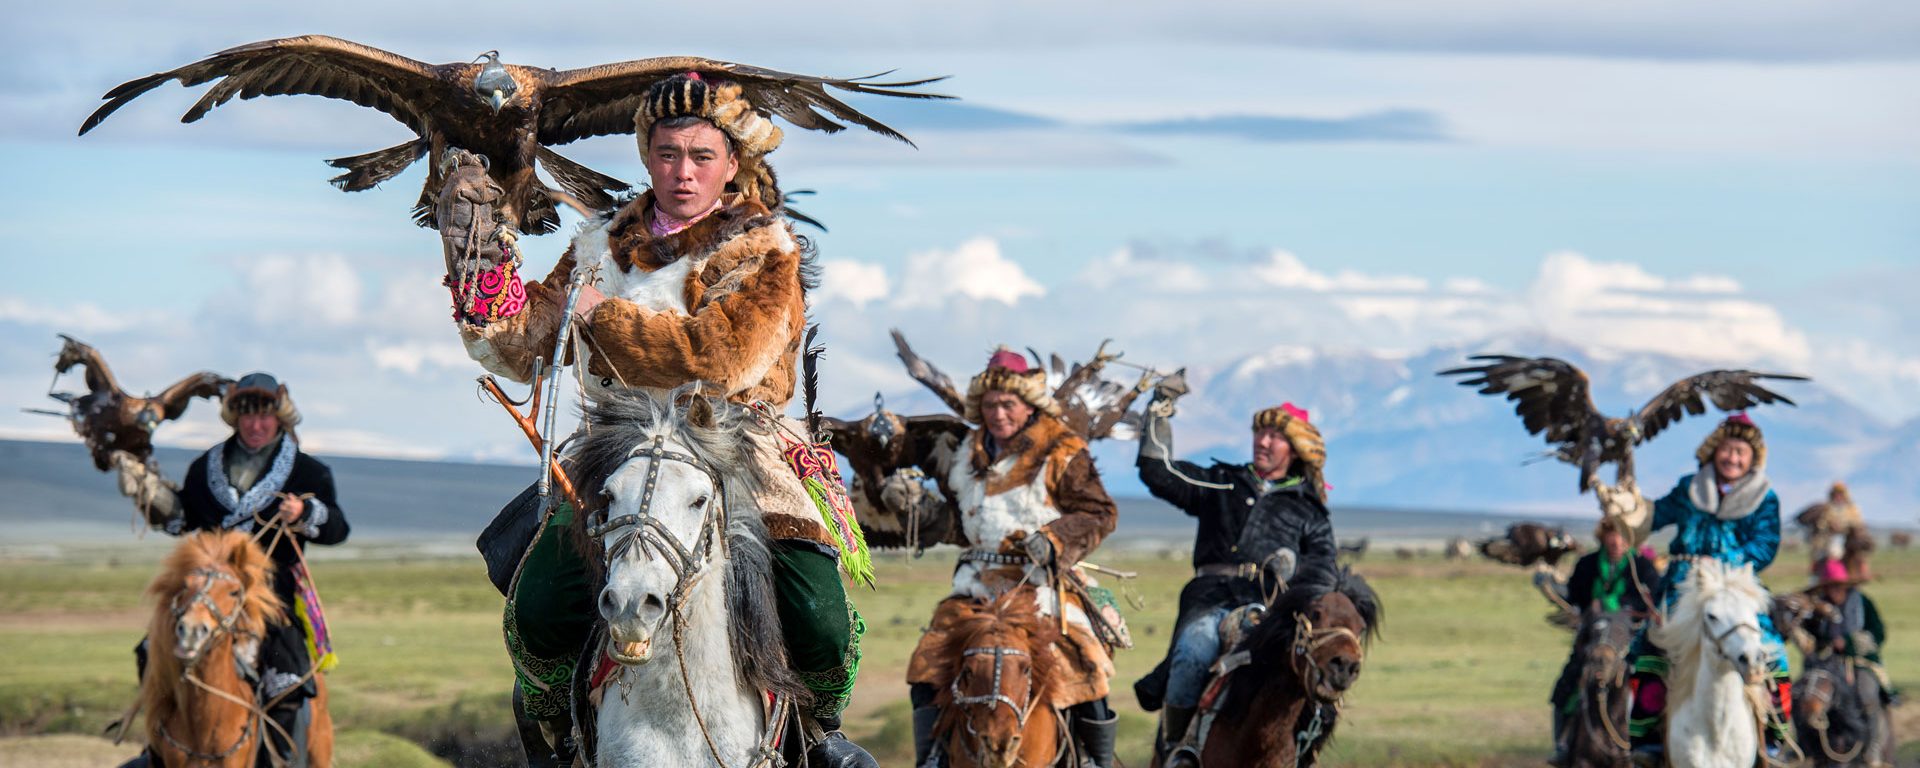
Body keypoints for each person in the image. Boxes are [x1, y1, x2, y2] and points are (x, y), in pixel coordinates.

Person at [445, 73, 871, 763]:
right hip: (617, 445)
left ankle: (820, 735)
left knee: (817, 612)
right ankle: (559, 731)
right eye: (668, 153)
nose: (683, 171)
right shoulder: (597, 245)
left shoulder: (765, 252)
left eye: (701, 156)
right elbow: (526, 348)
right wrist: (480, 280)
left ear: (732, 164)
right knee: (539, 606)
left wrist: (601, 317)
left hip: (738, 442)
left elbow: (719, 361)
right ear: (646, 156)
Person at [113, 372, 350, 765]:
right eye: (247, 416)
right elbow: (182, 521)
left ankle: (274, 757)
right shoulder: (205, 466)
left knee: (287, 679)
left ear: (280, 417)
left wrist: (305, 511)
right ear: (234, 417)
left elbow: (338, 529)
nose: (256, 425)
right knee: (148, 650)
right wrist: (150, 496)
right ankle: (159, 746)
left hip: (271, 599)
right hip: (206, 591)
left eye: (264, 416)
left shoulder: (310, 472)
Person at [903, 349, 1121, 768]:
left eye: (1008, 404)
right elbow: (957, 519)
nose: (998, 413)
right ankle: (931, 756)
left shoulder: (1062, 449)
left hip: (1041, 586)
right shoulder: (966, 451)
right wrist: (918, 509)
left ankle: (1097, 761)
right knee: (927, 662)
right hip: (975, 587)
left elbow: (1101, 513)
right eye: (989, 405)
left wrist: (1055, 539)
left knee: (1086, 663)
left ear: (1028, 405)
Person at [1132, 391, 1337, 760]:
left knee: (1310, 686)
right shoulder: (1223, 481)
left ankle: (1299, 755)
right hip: (1211, 598)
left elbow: (1324, 568)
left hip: (1273, 610)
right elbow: (1160, 473)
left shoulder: (1308, 510)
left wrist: (1293, 573)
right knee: (1193, 652)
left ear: (1295, 447)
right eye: (1260, 433)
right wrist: (1158, 417)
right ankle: (1177, 749)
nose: (1263, 441)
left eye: (1275, 436)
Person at [1594, 414, 1788, 765]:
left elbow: (1766, 543)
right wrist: (1628, 509)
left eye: (1741, 453)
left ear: (1752, 459)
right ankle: (1647, 740)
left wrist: (1726, 563)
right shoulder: (1689, 488)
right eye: (1728, 450)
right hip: (1684, 588)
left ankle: (1772, 738)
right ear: (1714, 451)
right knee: (1652, 651)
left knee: (1772, 652)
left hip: (1735, 585)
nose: (1733, 458)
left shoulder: (1765, 498)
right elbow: (1656, 516)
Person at [1546, 517, 1662, 767]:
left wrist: (1619, 607)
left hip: (1633, 644)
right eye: (1612, 535)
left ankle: (1650, 747)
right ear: (1603, 537)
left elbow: (1651, 599)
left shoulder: (1642, 566)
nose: (1616, 541)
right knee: (1565, 689)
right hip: (1592, 642)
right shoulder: (1587, 564)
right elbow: (1575, 595)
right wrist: (1556, 589)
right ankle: (1563, 745)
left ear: (1629, 539)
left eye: (1622, 536)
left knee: (1650, 690)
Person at [1802, 559, 1897, 766]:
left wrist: (1849, 643)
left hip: (1860, 662)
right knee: (1804, 696)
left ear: (1845, 585)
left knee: (1867, 694)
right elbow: (1810, 635)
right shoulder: (1818, 606)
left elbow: (1878, 634)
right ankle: (1805, 749)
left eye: (1837, 586)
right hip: (1825, 664)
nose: (1833, 591)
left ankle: (1873, 751)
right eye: (1828, 586)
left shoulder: (1863, 604)